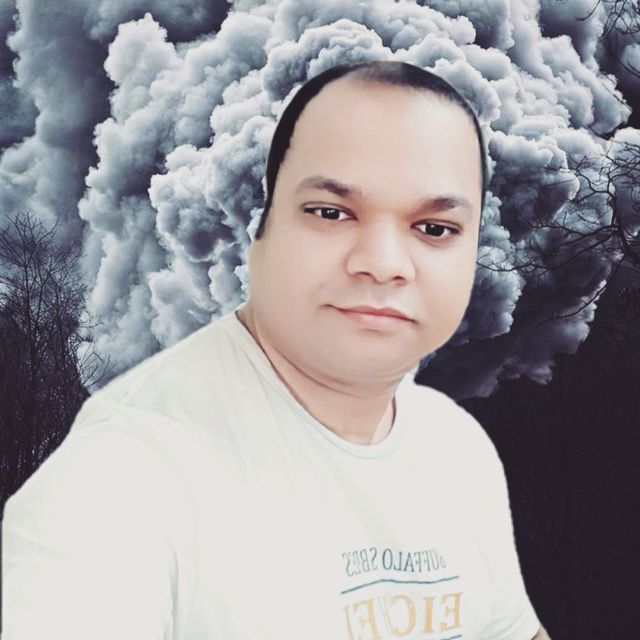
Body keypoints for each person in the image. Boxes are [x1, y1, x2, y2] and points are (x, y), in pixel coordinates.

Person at [2, 60, 550, 639]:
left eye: (435, 228)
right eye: (331, 213)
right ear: (257, 227)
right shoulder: (123, 482)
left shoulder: (458, 450)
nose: (384, 263)